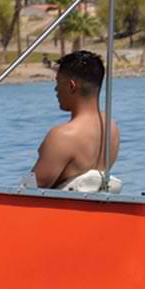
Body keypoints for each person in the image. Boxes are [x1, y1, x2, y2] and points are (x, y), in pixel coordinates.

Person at [30, 50, 120, 190]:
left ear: (72, 86)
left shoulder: (62, 136)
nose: (55, 90)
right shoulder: (111, 127)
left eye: (58, 83)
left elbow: (29, 190)